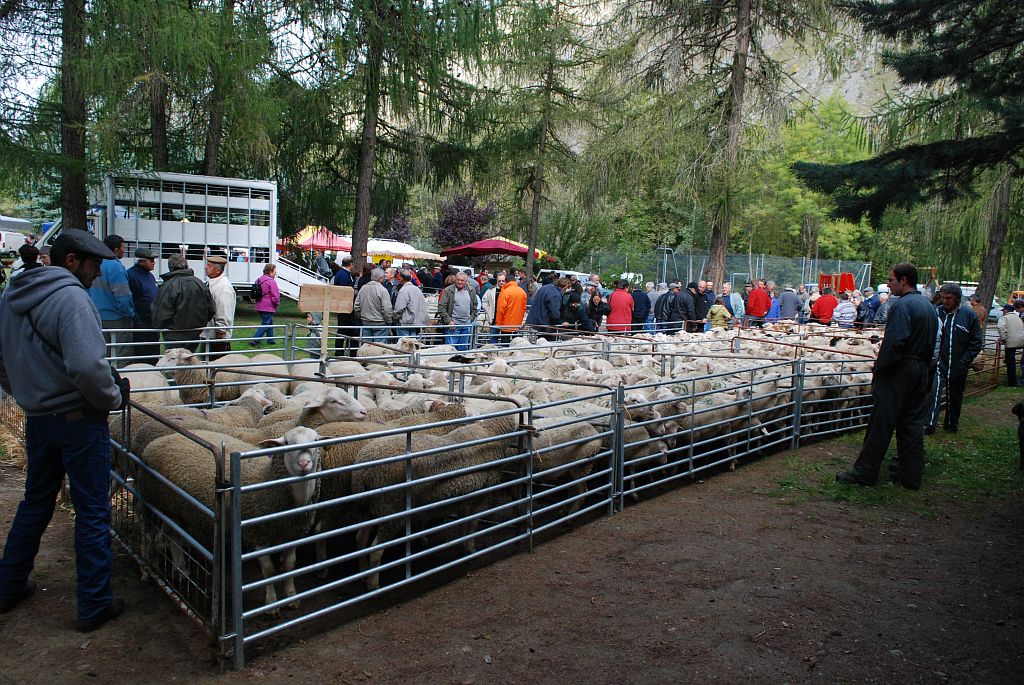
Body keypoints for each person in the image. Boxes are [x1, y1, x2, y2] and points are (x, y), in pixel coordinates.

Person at [0, 229, 127, 631]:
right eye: (92, 265)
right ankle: (94, 603)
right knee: (92, 509)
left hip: (39, 418)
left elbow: (2, 358)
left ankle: (8, 586)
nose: (95, 274)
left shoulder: (11, 297)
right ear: (71, 260)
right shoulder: (71, 299)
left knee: (36, 501)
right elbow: (88, 367)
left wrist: (26, 392)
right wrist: (113, 398)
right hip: (78, 419)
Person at [836, 263, 939, 490]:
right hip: (921, 368)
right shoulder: (928, 306)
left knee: (881, 423)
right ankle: (910, 475)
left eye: (891, 280)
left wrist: (880, 369)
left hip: (900, 369)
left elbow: (895, 342)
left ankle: (865, 472)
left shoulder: (902, 306)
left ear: (904, 281)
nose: (889, 285)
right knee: (912, 424)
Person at [926, 283, 984, 434]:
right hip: (938, 363)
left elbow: (976, 342)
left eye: (949, 298)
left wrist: (965, 361)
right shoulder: (936, 312)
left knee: (955, 394)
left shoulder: (968, 315)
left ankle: (951, 424)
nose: (946, 301)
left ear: (957, 299)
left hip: (958, 363)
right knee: (933, 391)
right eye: (943, 298)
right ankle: (929, 424)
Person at [151, 254, 216, 352]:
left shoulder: (168, 286)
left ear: (171, 267)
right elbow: (211, 309)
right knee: (188, 361)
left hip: (173, 335)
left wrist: (161, 326)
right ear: (186, 266)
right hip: (194, 333)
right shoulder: (200, 284)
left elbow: (160, 313)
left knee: (174, 363)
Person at [89, 235, 135, 367]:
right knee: (121, 355)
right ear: (115, 250)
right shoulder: (115, 266)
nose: (124, 251)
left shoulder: (95, 263)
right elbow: (123, 295)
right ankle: (121, 382)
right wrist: (129, 313)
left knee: (103, 353)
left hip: (97, 316)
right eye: (123, 248)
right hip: (117, 318)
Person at [126, 248, 160, 362]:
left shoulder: (150, 276)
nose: (153, 262)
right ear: (141, 261)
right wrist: (137, 320)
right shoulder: (131, 275)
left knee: (153, 352)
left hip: (152, 322)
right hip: (141, 323)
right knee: (141, 353)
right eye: (151, 260)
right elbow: (129, 299)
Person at [200, 255, 236, 357]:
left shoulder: (223, 287)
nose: (205, 267)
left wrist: (220, 332)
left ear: (218, 270)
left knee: (216, 369)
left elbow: (224, 312)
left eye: (209, 266)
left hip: (216, 339)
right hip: (209, 335)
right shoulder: (214, 284)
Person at [436, 270, 477, 350]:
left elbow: (475, 306)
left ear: (466, 281)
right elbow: (441, 307)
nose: (460, 282)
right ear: (455, 280)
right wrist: (449, 321)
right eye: (458, 280)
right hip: (453, 325)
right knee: (450, 349)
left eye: (462, 280)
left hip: (466, 325)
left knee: (463, 349)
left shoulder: (471, 290)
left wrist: (471, 319)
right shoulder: (448, 290)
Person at [353, 267, 393, 345]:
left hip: (366, 321)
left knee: (367, 346)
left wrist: (361, 316)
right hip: (380, 323)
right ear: (380, 278)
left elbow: (356, 306)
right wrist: (389, 321)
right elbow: (387, 309)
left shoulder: (363, 288)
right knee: (379, 347)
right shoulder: (383, 290)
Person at [251, 263, 281, 346]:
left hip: (259, 305)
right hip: (268, 306)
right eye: (274, 271)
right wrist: (277, 303)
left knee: (269, 322)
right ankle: (255, 340)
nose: (275, 273)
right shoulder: (271, 281)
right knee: (265, 323)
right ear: (270, 271)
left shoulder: (258, 280)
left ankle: (270, 340)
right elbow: (275, 295)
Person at [393, 270, 429, 338]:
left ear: (401, 278)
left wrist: (394, 318)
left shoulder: (403, 290)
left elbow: (399, 308)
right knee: (412, 343)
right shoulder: (418, 290)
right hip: (416, 322)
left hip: (405, 322)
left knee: (404, 345)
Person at [997, 302, 1024, 387]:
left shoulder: (1004, 318)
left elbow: (1001, 327)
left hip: (1010, 342)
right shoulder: (1018, 317)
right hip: (1021, 341)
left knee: (1010, 362)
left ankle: (1012, 383)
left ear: (1005, 310)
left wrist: (1003, 338)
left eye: (1003, 310)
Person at [494, 273, 527, 344]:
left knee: (504, 347)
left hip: (506, 325)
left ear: (506, 282)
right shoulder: (522, 292)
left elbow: (500, 309)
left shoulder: (505, 292)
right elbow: (524, 308)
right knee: (516, 345)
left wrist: (498, 324)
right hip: (517, 324)